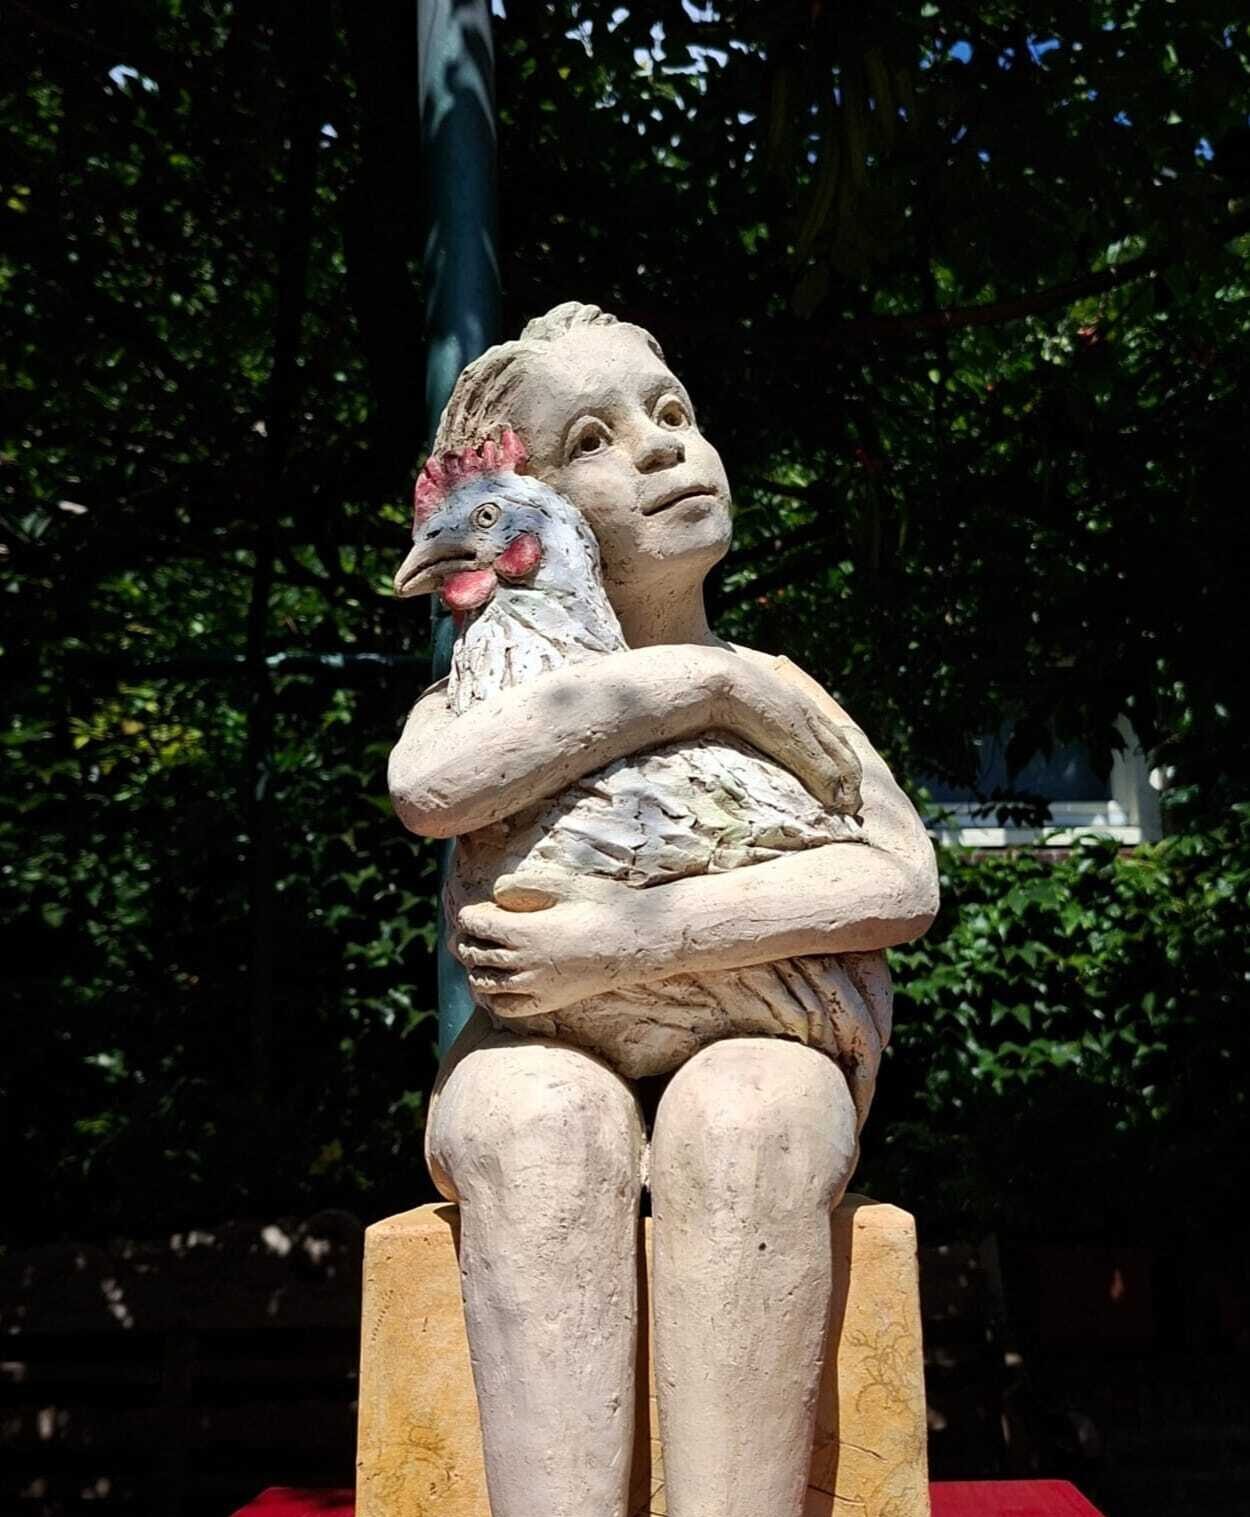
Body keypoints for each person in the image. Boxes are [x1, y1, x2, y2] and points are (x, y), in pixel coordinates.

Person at [388, 303, 938, 1517]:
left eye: (673, 410)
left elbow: (899, 879)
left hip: (766, 1030)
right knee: (538, 1124)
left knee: (751, 1114)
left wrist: (605, 942)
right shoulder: (490, 694)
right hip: (533, 1044)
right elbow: (432, 788)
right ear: (534, 510)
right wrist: (699, 683)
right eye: (591, 437)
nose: (657, 445)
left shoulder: (784, 691)